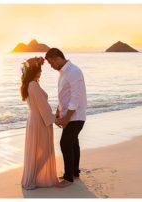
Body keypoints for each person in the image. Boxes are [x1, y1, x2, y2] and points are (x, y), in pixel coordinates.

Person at [45, 48, 87, 188]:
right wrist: (58, 110)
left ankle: (69, 178)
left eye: (51, 63)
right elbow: (64, 95)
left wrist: (66, 118)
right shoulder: (63, 73)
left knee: (65, 143)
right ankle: (74, 172)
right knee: (73, 143)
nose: (51, 66)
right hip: (69, 115)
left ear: (57, 58)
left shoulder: (74, 71)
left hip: (76, 116)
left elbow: (75, 98)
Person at [20, 56, 59, 190]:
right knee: (44, 151)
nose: (41, 73)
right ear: (35, 71)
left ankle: (32, 175)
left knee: (36, 149)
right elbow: (43, 107)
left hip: (34, 119)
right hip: (39, 121)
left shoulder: (30, 84)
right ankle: (33, 176)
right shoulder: (33, 85)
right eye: (40, 70)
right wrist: (54, 118)